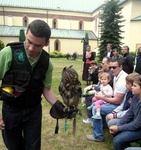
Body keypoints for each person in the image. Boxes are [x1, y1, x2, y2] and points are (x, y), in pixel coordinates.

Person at [0, 19, 76, 150]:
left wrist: (60, 107)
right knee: (14, 147)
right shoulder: (8, 53)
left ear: (46, 43)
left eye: (37, 45)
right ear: (25, 34)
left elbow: (46, 90)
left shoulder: (47, 63)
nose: (31, 48)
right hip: (11, 110)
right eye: (29, 42)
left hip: (33, 111)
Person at [86, 58, 128, 142]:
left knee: (96, 108)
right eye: (110, 67)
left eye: (114, 67)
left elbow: (117, 101)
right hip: (117, 102)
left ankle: (98, 136)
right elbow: (113, 92)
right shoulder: (117, 75)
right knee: (95, 104)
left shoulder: (123, 80)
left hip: (121, 107)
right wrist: (103, 94)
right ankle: (103, 125)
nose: (111, 69)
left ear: (120, 67)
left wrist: (102, 97)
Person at [109, 75, 141, 150]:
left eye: (134, 86)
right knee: (115, 129)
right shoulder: (135, 97)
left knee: (117, 141)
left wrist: (118, 128)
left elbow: (136, 125)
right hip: (137, 124)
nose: (132, 87)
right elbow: (129, 114)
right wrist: (118, 125)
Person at [83, 57, 113, 124]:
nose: (101, 65)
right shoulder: (106, 72)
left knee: (89, 96)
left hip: (105, 96)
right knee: (88, 93)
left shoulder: (109, 74)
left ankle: (90, 118)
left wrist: (95, 88)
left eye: (103, 63)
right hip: (100, 92)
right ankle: (89, 109)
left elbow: (105, 87)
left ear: (108, 64)